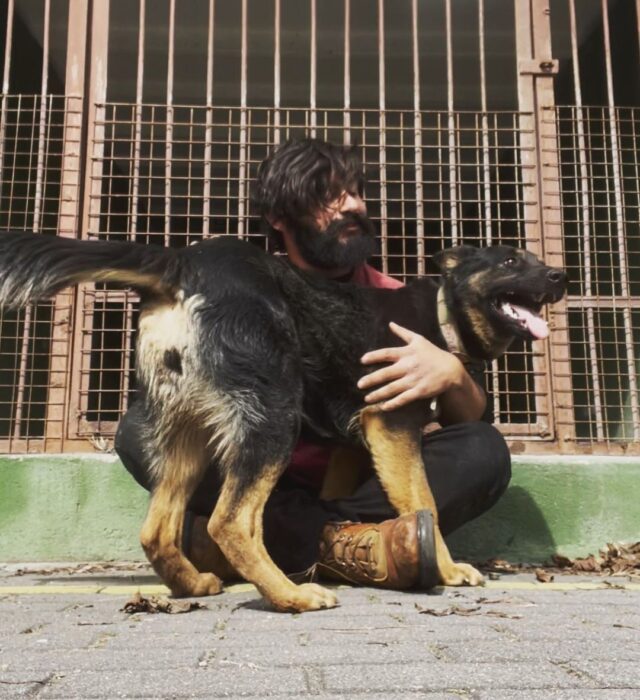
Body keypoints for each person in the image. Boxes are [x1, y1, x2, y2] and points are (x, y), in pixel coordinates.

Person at [115, 138, 511, 590]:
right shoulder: (239, 294)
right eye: (328, 197)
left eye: (356, 192)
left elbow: (474, 420)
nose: (353, 206)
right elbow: (175, 399)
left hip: (356, 490)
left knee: (484, 452)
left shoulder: (395, 298)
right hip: (256, 479)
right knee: (137, 431)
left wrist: (452, 372)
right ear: (279, 218)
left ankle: (280, 546)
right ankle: (352, 549)